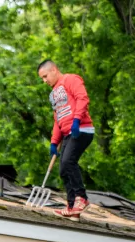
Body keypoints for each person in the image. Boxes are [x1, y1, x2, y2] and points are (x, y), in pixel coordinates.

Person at [37, 59, 95, 218]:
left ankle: (82, 198)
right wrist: (54, 142)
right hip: (67, 132)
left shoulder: (71, 79)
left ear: (54, 69)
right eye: (42, 78)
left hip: (81, 129)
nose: (44, 81)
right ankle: (72, 207)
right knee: (63, 169)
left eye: (45, 76)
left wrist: (77, 120)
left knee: (69, 161)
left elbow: (82, 98)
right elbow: (58, 119)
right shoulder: (54, 94)